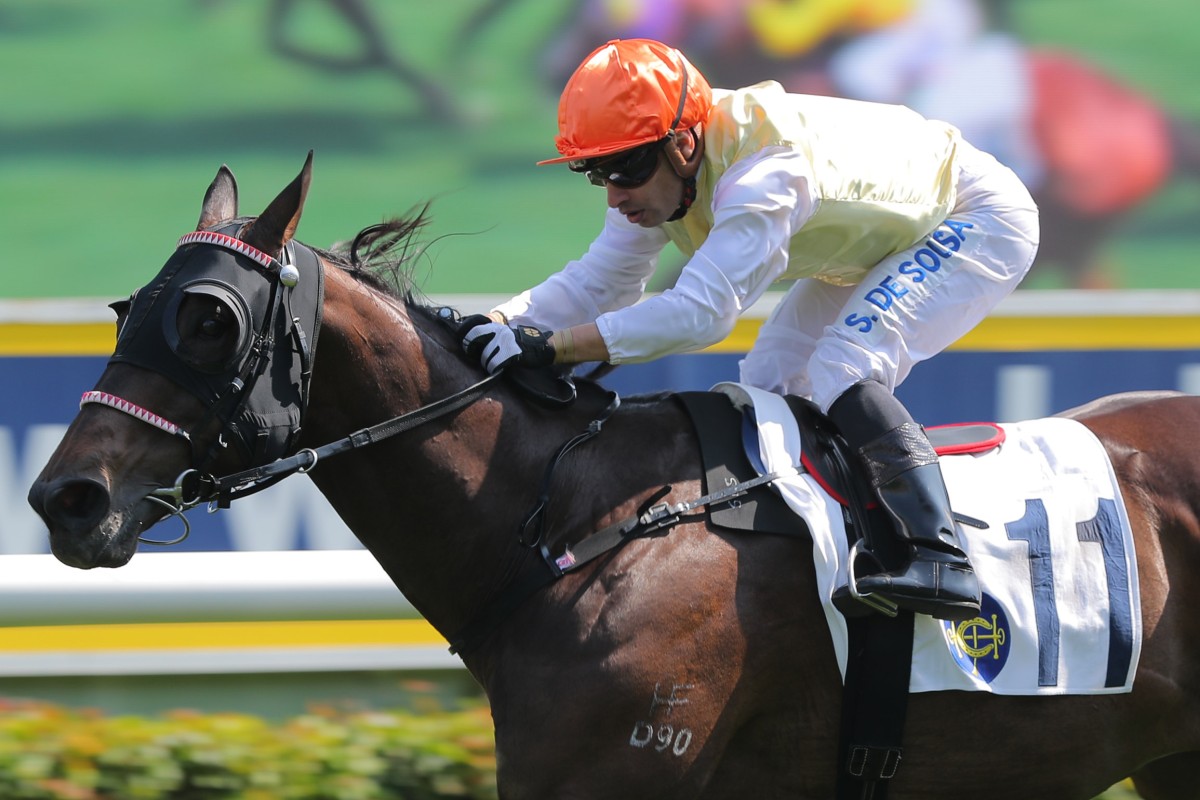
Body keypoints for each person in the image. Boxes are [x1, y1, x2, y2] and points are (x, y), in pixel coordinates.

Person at [458, 37, 1039, 621]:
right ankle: (817, 551)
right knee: (770, 382)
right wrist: (499, 323)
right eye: (596, 172)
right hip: (888, 238)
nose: (615, 193)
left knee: (843, 365)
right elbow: (595, 284)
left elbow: (701, 314)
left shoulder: (764, 173)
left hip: (975, 216)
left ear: (684, 144)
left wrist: (554, 347)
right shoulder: (660, 172)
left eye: (625, 167)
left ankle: (939, 557)